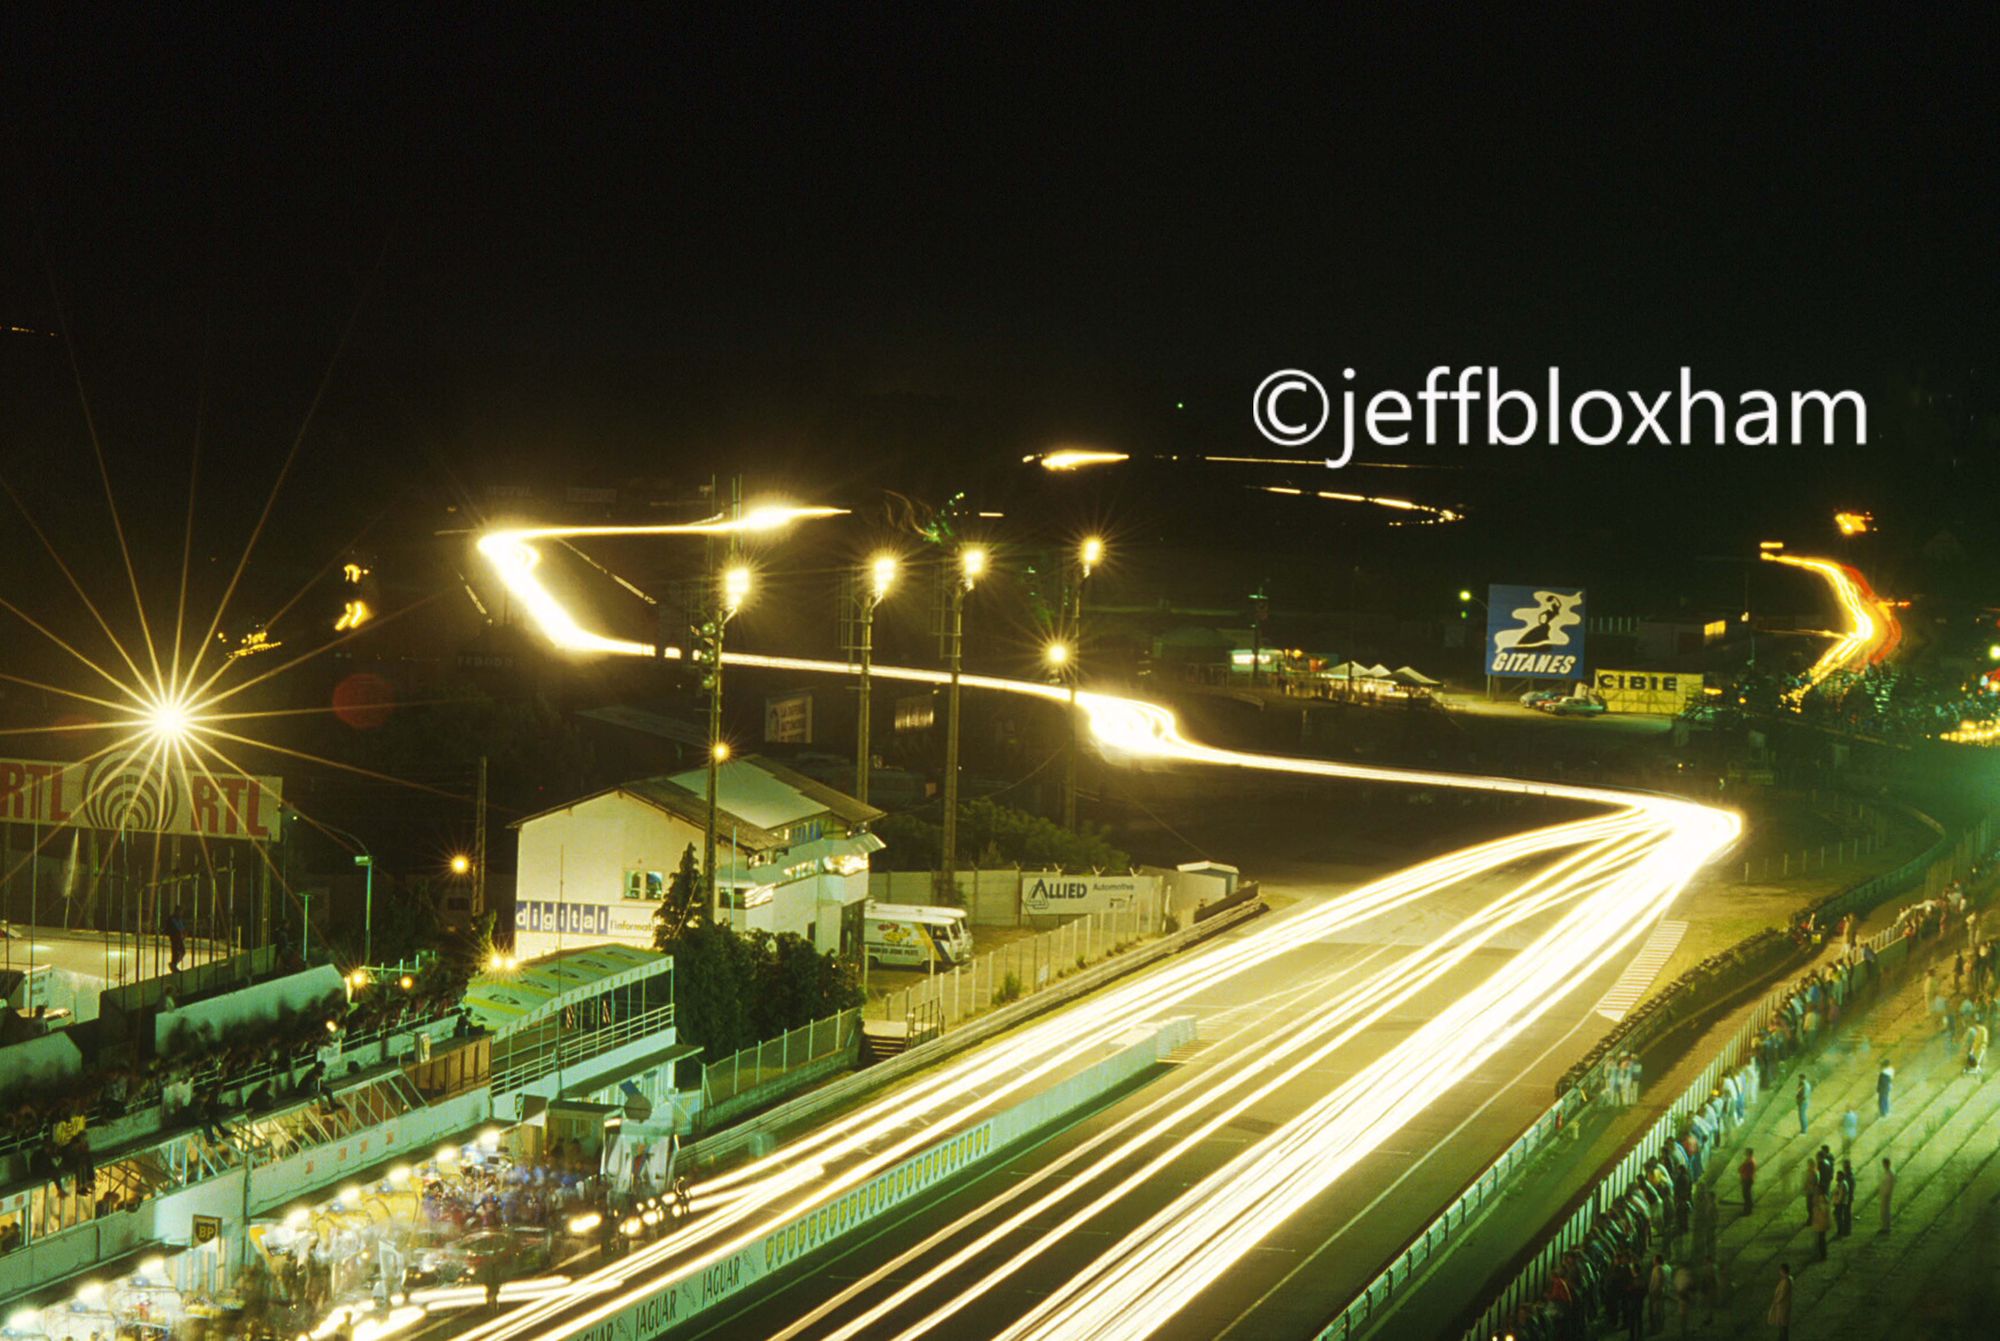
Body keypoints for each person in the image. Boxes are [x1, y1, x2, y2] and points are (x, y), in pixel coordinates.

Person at [1768, 1262, 1793, 1339]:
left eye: (1780, 1270)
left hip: (1783, 1308)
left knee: (1783, 1328)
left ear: (1783, 1271)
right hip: (1782, 1307)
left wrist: (1776, 1301)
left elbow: (1782, 1294)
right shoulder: (1786, 1280)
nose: (1779, 1272)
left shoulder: (1786, 1281)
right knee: (1782, 1327)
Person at [1832, 1159, 1854, 1237]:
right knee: (1844, 1216)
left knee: (1845, 1216)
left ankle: (1845, 1231)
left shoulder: (1848, 1179)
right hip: (1845, 1200)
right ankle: (1845, 1230)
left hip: (1844, 1201)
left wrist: (1839, 1201)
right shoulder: (1848, 1177)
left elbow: (1843, 1192)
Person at [1647, 1253, 1667, 1335]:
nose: (1653, 1260)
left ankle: (1657, 1329)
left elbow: (1658, 1282)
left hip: (1656, 1293)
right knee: (1657, 1311)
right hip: (1656, 1293)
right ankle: (1658, 1328)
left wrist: (1654, 1291)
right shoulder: (1658, 1269)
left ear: (1657, 1260)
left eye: (1654, 1259)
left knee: (1656, 1311)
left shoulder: (1658, 1269)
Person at [1808, 1188, 1830, 1260]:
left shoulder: (1822, 1201)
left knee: (1821, 1240)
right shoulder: (1821, 1200)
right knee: (1820, 1240)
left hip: (1821, 1225)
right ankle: (1821, 1254)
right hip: (1820, 1224)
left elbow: (1823, 1213)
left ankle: (1823, 1255)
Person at [1878, 1157, 1896, 1234]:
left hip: (1886, 1196)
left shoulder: (1890, 1174)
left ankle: (1886, 1227)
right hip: (1883, 1195)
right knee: (1883, 1211)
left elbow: (1889, 1186)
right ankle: (1884, 1226)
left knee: (1886, 1211)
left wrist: (1885, 1194)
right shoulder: (1886, 1173)